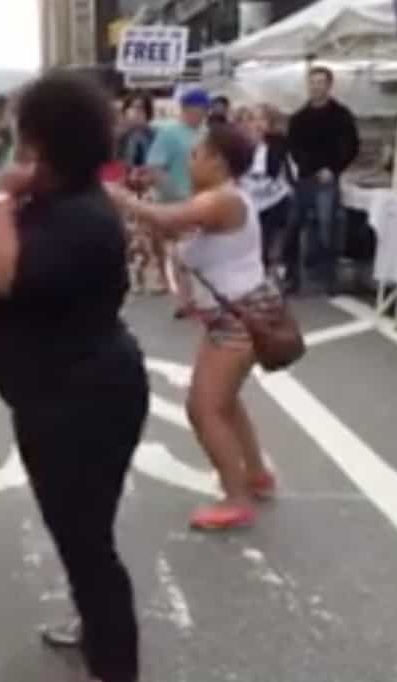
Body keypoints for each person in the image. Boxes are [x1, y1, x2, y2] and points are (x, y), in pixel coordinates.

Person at [0, 72, 149, 682]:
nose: (15, 150)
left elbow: (1, 277)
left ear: (44, 145)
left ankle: (113, 664)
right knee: (85, 531)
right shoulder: (60, 202)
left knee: (87, 547)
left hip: (79, 401)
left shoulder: (78, 217)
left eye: (23, 139)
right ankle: (93, 630)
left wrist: (0, 199)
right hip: (65, 391)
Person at [109, 122, 278, 532]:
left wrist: (120, 197)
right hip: (234, 317)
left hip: (237, 320)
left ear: (219, 161)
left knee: (204, 409)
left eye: (197, 155)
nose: (190, 161)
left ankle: (236, 497)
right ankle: (256, 474)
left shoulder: (223, 200)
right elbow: (172, 228)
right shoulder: (217, 199)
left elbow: (166, 218)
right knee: (226, 402)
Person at [287, 65, 360, 294]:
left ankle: (329, 277)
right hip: (305, 178)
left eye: (320, 82)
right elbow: (294, 147)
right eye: (312, 82)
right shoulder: (299, 117)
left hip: (328, 178)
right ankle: (293, 277)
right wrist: (307, 167)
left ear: (329, 86)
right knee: (293, 226)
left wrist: (334, 169)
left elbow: (352, 146)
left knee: (327, 226)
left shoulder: (341, 115)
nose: (316, 87)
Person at [145, 88, 211, 315]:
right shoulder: (170, 134)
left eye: (205, 109)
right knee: (181, 250)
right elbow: (154, 168)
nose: (203, 114)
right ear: (187, 109)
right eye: (200, 109)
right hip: (177, 201)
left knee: (200, 248)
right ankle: (185, 299)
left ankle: (199, 297)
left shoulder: (207, 133)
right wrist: (175, 191)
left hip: (203, 198)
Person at [240, 104, 295, 280]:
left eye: (262, 119)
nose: (257, 124)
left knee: (273, 241)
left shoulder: (278, 144)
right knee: (253, 244)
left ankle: (274, 273)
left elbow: (281, 170)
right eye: (252, 119)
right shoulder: (238, 145)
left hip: (275, 200)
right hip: (249, 201)